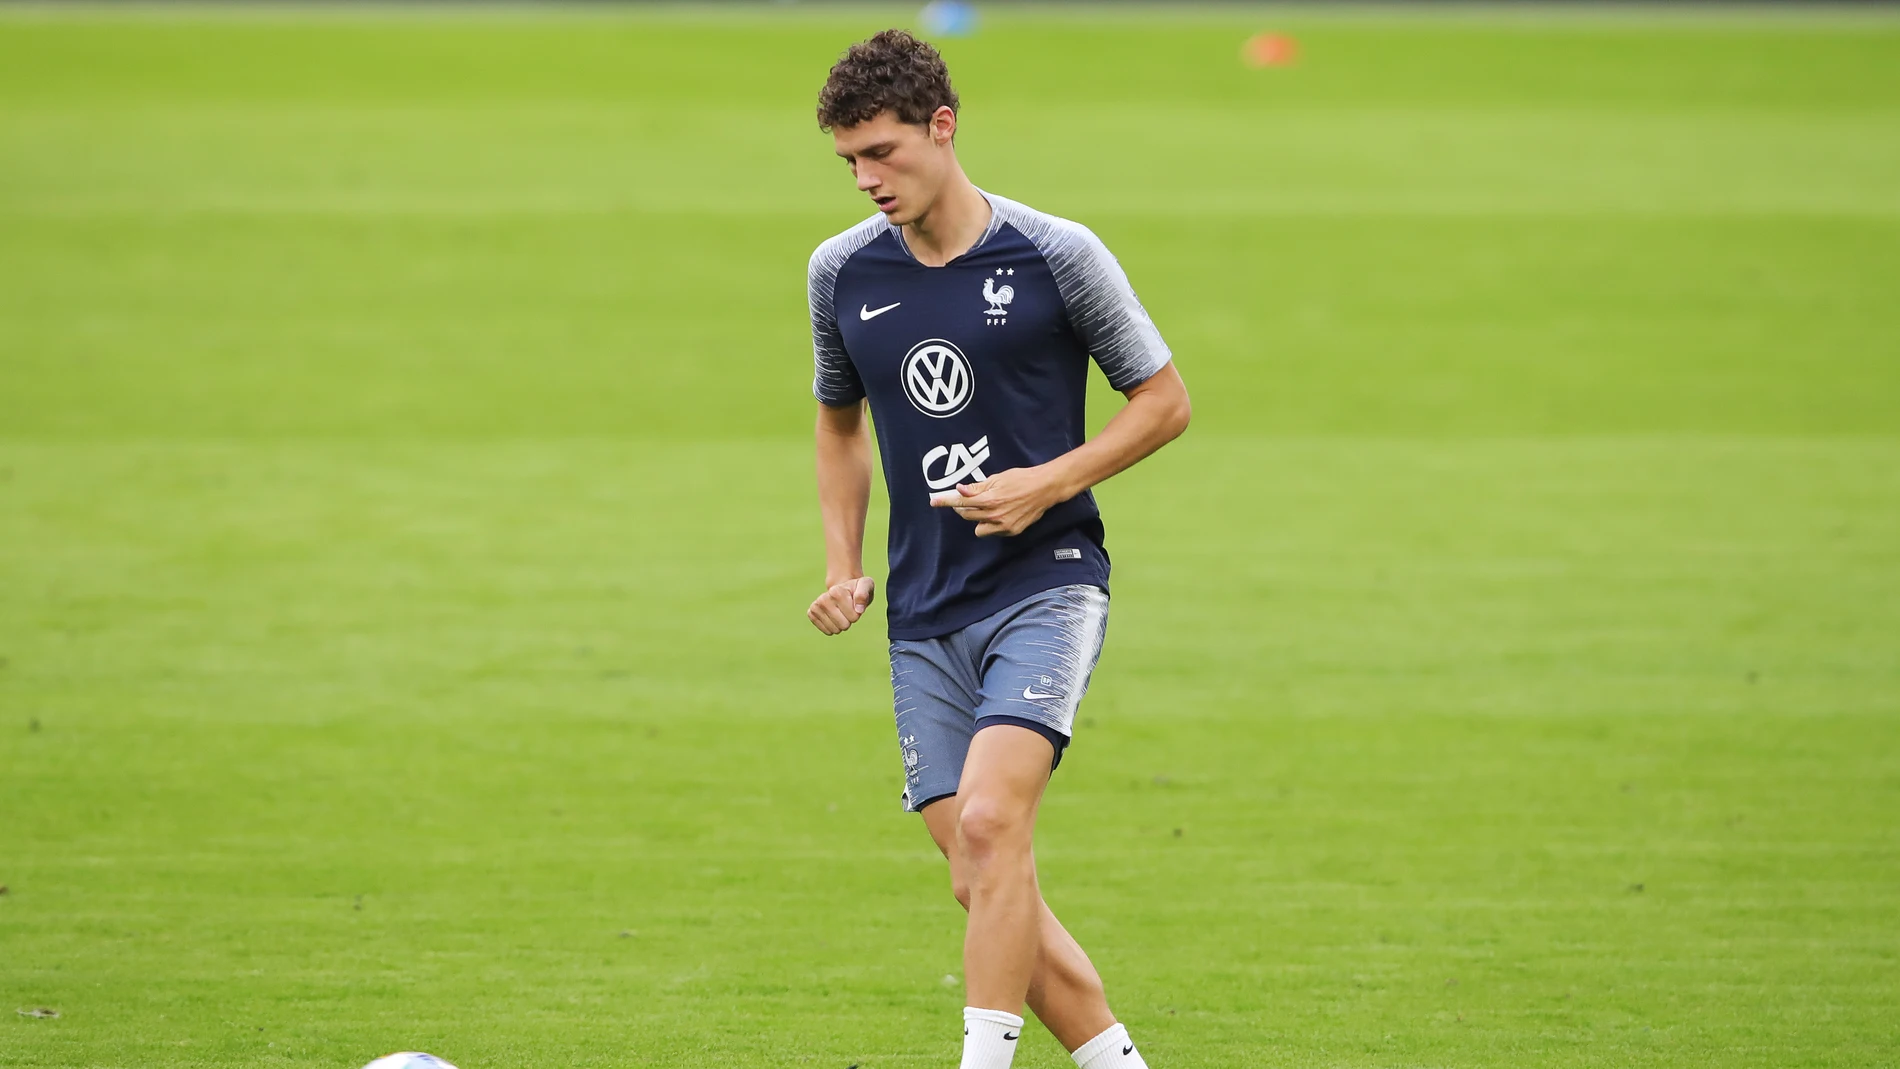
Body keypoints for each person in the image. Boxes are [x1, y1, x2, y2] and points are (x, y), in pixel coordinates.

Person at [804, 30, 1191, 1069]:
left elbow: (1163, 402)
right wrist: (843, 563)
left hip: (1045, 587)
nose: (866, 179)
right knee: (984, 873)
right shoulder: (839, 272)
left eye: (882, 152)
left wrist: (1050, 481)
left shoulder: (1056, 253)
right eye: (848, 161)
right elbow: (838, 424)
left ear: (943, 126)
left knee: (988, 821)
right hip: (922, 607)